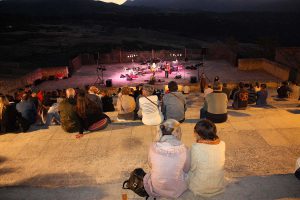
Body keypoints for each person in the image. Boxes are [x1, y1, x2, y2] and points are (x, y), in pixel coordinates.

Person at [143, 119, 190, 199]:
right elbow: (186, 169)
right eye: (180, 131)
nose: (181, 133)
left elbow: (150, 165)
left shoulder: (153, 147)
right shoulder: (185, 149)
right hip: (176, 190)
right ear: (175, 132)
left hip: (156, 187)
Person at [189, 120, 225, 197]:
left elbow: (192, 168)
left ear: (199, 134)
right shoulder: (222, 144)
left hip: (199, 188)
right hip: (218, 185)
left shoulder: (196, 147)